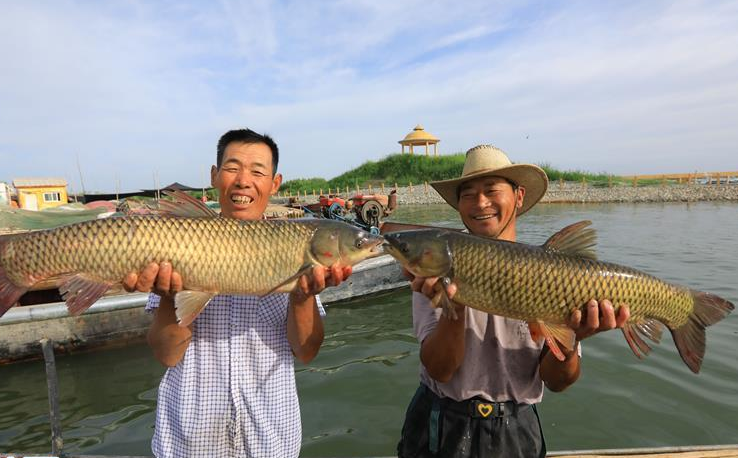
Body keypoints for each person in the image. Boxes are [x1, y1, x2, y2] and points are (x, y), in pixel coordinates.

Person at [123, 128, 351, 458]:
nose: (244, 181)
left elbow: (306, 352)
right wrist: (171, 294)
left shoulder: (296, 248)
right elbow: (167, 355)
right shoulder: (177, 241)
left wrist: (300, 297)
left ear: (275, 183)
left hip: (271, 441)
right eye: (232, 168)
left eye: (258, 171)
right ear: (215, 176)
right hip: (189, 444)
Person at [396, 145, 630, 458]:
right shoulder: (434, 271)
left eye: (492, 189)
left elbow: (558, 381)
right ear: (458, 205)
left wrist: (574, 337)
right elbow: (440, 370)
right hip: (440, 425)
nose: (480, 202)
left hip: (516, 429)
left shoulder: (551, 275)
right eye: (468, 194)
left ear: (518, 197)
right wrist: (455, 306)